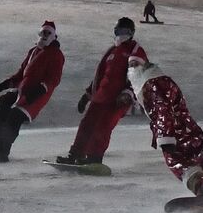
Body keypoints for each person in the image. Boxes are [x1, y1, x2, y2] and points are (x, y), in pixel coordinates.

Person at [128, 58, 203, 195]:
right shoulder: (161, 80)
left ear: (144, 66)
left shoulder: (151, 85)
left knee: (178, 164)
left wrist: (165, 136)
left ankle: (202, 188)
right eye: (130, 65)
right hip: (187, 129)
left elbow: (162, 109)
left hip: (175, 133)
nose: (131, 69)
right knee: (199, 161)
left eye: (135, 64)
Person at [59, 17, 146, 166]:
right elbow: (100, 76)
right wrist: (87, 95)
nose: (121, 34)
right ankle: (75, 154)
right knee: (87, 124)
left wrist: (128, 93)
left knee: (103, 127)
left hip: (118, 99)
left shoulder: (135, 50)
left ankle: (94, 158)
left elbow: (138, 74)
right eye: (119, 31)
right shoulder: (112, 51)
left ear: (131, 33)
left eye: (125, 31)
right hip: (101, 96)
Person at [0, 20, 64, 162]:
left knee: (14, 117)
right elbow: (21, 74)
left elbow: (53, 79)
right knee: (1, 110)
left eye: (48, 33)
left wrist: (37, 91)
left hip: (37, 95)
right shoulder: (33, 51)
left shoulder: (56, 54)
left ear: (53, 36)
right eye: (43, 33)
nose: (45, 36)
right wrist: (4, 85)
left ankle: (2, 150)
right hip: (22, 91)